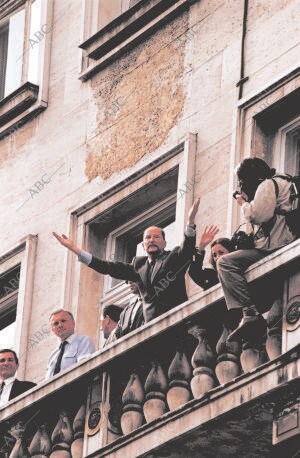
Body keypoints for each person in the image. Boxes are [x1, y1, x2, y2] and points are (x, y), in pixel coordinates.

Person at [53, 199, 200, 322]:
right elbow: (107, 267)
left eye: (156, 237)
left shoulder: (172, 257)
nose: (152, 240)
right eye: (148, 238)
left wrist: (190, 222)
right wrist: (76, 250)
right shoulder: (138, 265)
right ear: (143, 245)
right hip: (152, 327)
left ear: (164, 243)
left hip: (177, 320)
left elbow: (186, 250)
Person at [217, 157, 296, 342]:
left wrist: (242, 203)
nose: (241, 187)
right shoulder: (285, 183)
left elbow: (258, 214)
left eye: (241, 182)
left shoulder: (268, 183)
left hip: (277, 246)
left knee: (225, 263)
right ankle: (250, 314)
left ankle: (249, 313)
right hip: (281, 243)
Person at [45, 309, 96, 379]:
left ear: (73, 323)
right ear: (53, 330)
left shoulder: (83, 341)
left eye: (63, 321)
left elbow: (85, 370)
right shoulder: (53, 355)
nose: (60, 325)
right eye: (56, 323)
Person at [189, 225, 234, 290]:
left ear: (230, 251)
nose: (217, 257)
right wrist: (201, 247)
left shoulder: (239, 268)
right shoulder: (212, 276)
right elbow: (194, 272)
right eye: (214, 255)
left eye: (221, 253)